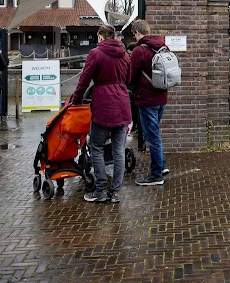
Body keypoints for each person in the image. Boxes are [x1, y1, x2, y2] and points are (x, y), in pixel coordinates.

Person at [71, 24, 131, 203]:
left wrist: (76, 99)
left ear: (100, 37)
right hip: (121, 104)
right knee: (118, 150)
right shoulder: (125, 54)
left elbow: (84, 79)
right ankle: (116, 192)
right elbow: (128, 79)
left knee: (96, 146)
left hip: (103, 105)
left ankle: (100, 191)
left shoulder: (95, 54)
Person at [129, 19, 170, 186]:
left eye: (134, 34)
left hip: (147, 100)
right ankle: (163, 165)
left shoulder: (140, 51)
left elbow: (130, 75)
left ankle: (156, 175)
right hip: (162, 98)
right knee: (154, 134)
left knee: (151, 136)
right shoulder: (162, 46)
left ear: (138, 33)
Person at [126, 41, 147, 153]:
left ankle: (141, 142)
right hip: (135, 94)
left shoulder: (135, 62)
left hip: (136, 93)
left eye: (130, 53)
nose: (129, 55)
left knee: (139, 117)